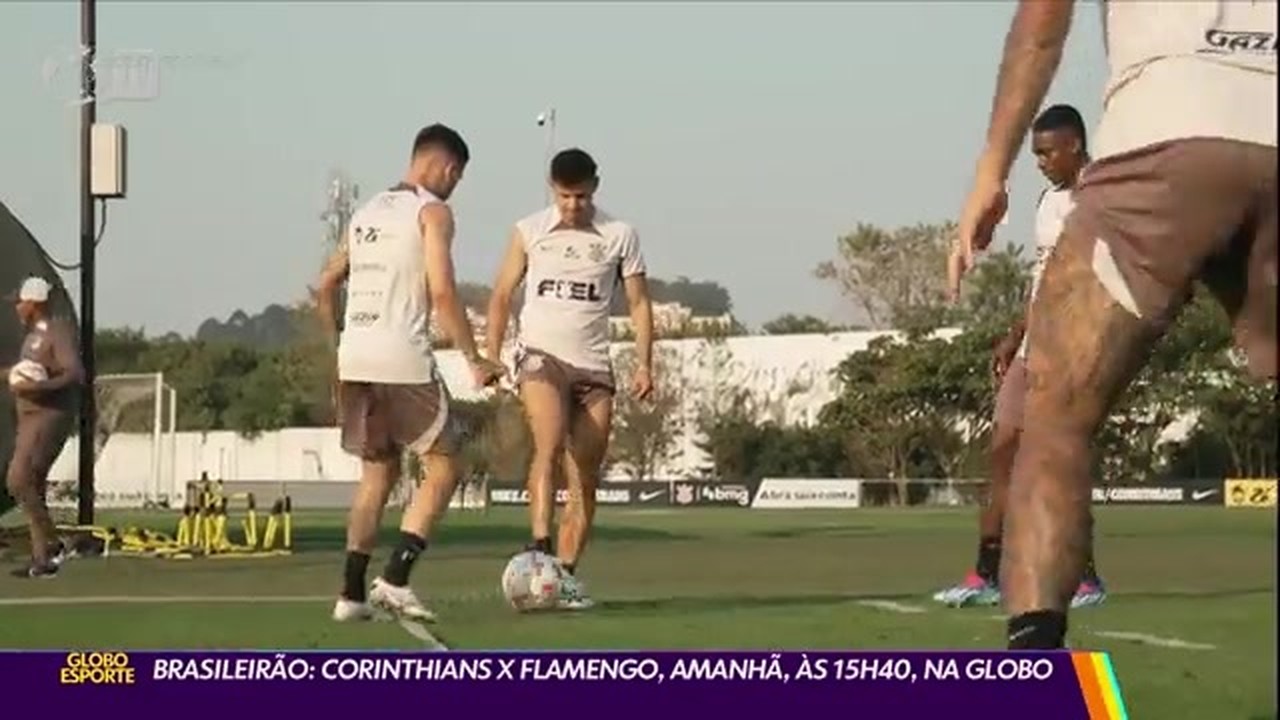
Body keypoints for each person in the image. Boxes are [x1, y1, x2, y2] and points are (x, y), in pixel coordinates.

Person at [953, 0, 1275, 650]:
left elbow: (1042, 26)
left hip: (1167, 129)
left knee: (1054, 416)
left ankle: (1036, 662)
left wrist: (991, 170)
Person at [316, 123, 505, 623]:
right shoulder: (433, 211)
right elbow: (442, 291)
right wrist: (474, 358)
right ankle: (396, 579)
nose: (454, 186)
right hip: (400, 356)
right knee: (446, 463)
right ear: (447, 167)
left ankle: (350, 596)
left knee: (377, 474)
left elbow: (326, 284)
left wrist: (338, 342)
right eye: (457, 177)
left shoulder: (365, 214)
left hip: (354, 358)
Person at [936, 104, 1106, 610]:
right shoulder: (1048, 200)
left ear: (1074, 145)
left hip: (1074, 344)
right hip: (1034, 345)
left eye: (1047, 152)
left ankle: (1084, 577)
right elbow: (1042, 277)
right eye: (1036, 154)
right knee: (1003, 449)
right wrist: (1015, 336)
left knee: (1056, 458)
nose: (1041, 162)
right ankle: (987, 573)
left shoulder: (1102, 199)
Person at [486, 148, 654, 611]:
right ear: (552, 188)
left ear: (595, 187)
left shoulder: (620, 235)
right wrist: (492, 356)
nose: (572, 205)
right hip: (542, 356)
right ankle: (538, 549)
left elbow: (639, 304)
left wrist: (644, 363)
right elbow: (501, 294)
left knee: (586, 471)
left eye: (580, 196)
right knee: (549, 441)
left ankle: (564, 575)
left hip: (594, 366)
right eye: (564, 196)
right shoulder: (529, 231)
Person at [3, 276, 80, 578]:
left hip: (47, 414)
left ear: (34, 303)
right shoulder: (33, 335)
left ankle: (52, 543)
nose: (17, 307)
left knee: (18, 479)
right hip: (29, 414)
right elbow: (21, 373)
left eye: (20, 302)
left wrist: (41, 387)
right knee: (31, 482)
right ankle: (43, 560)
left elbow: (74, 373)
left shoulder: (57, 331)